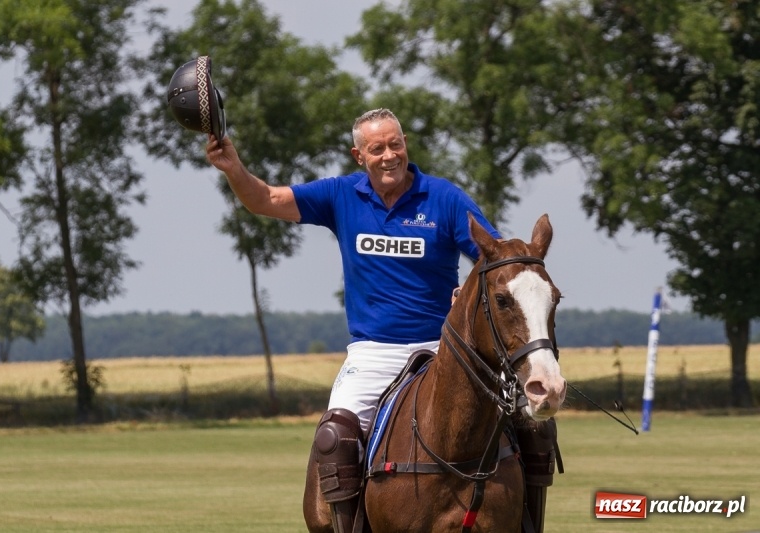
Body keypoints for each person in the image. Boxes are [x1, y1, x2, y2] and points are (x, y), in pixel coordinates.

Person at [205, 108, 555, 533]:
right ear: (359, 156)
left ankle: (529, 523)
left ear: (405, 144)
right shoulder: (341, 196)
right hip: (374, 352)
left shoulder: (443, 199)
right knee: (334, 437)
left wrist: (468, 290)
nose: (389, 155)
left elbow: (496, 258)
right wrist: (232, 166)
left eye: (396, 144)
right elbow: (265, 199)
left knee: (535, 426)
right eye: (377, 148)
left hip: (445, 348)